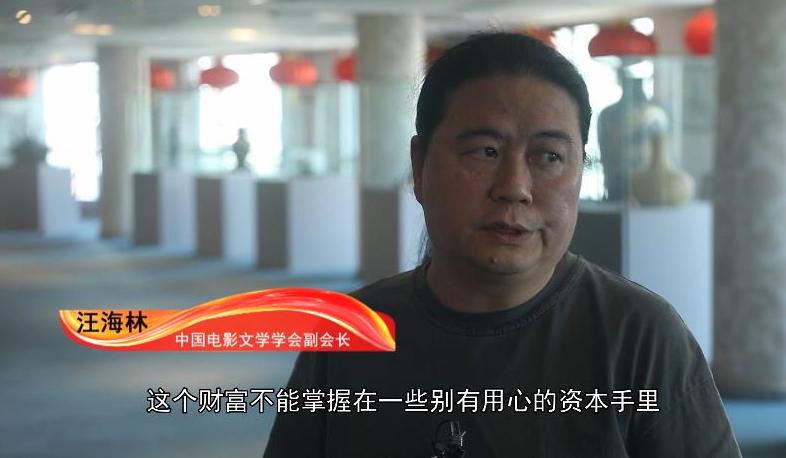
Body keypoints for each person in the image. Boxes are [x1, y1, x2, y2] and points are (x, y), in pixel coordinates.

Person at [264, 32, 741, 457]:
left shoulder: (640, 334)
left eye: (549, 156)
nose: (515, 187)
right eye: (485, 152)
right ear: (419, 165)